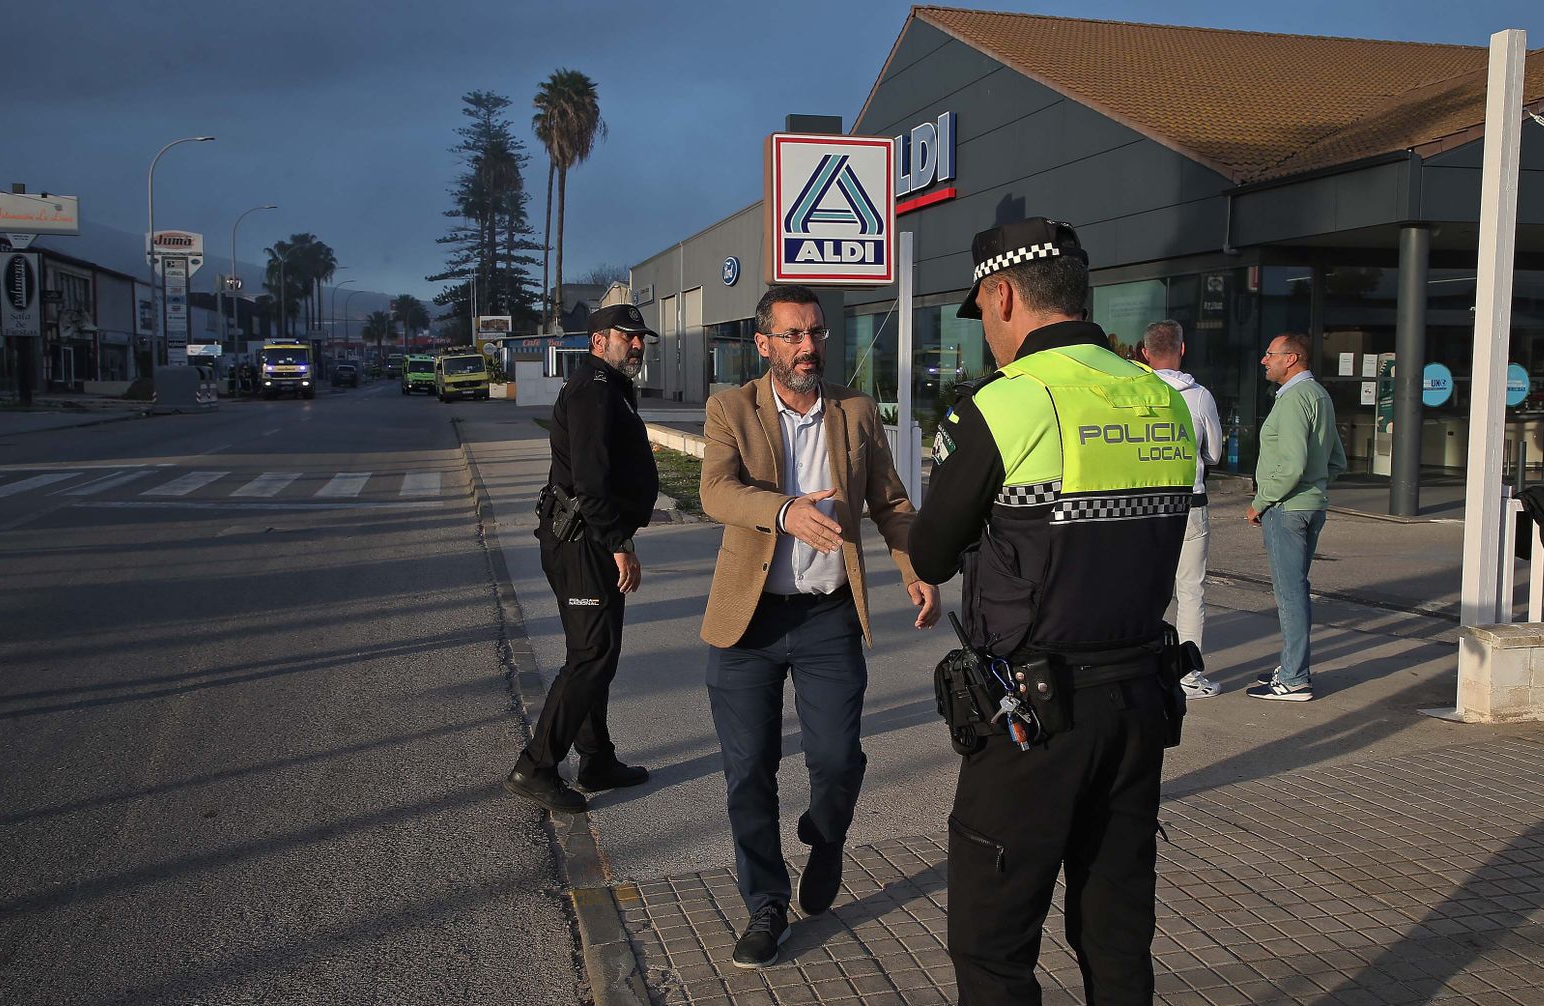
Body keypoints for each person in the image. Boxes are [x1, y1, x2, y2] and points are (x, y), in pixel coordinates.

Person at [910, 218, 1195, 1006]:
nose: (989, 336)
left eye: (984, 313)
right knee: (1117, 939)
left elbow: (933, 555)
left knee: (993, 946)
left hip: (1033, 721)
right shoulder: (1162, 400)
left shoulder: (1002, 407)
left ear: (1002, 295)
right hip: (1140, 705)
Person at [700, 285, 940, 969]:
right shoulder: (730, 409)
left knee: (837, 760)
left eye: (816, 333)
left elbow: (892, 501)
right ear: (765, 344)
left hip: (828, 615)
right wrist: (784, 512)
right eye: (794, 335)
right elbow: (716, 490)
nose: (809, 347)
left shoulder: (855, 411)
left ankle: (827, 835)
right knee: (749, 771)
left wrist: (914, 567)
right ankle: (765, 904)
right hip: (748, 624)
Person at [504, 303, 660, 814]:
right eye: (627, 336)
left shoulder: (611, 387)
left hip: (589, 536)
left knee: (599, 651)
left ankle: (595, 758)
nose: (637, 345)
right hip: (583, 540)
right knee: (591, 653)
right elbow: (591, 484)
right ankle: (536, 766)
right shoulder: (593, 391)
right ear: (597, 340)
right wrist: (621, 545)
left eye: (641, 338)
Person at [1244, 333, 1346, 702]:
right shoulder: (1318, 394)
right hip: (1311, 505)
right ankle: (1291, 665)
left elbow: (1290, 465)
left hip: (1286, 508)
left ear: (1292, 358)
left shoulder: (1293, 400)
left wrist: (1260, 501)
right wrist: (1316, 487)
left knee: (1290, 594)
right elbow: (1337, 460)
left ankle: (1294, 678)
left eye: (1270, 354)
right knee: (1297, 589)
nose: (1264, 360)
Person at [1139, 320, 1223, 698]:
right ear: (1182, 349)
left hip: (1141, 504)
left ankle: (1139, 669)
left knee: (1142, 587)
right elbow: (1216, 453)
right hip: (1189, 502)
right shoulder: (1199, 396)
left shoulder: (1134, 393)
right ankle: (1188, 677)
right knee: (1190, 591)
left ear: (1144, 353)